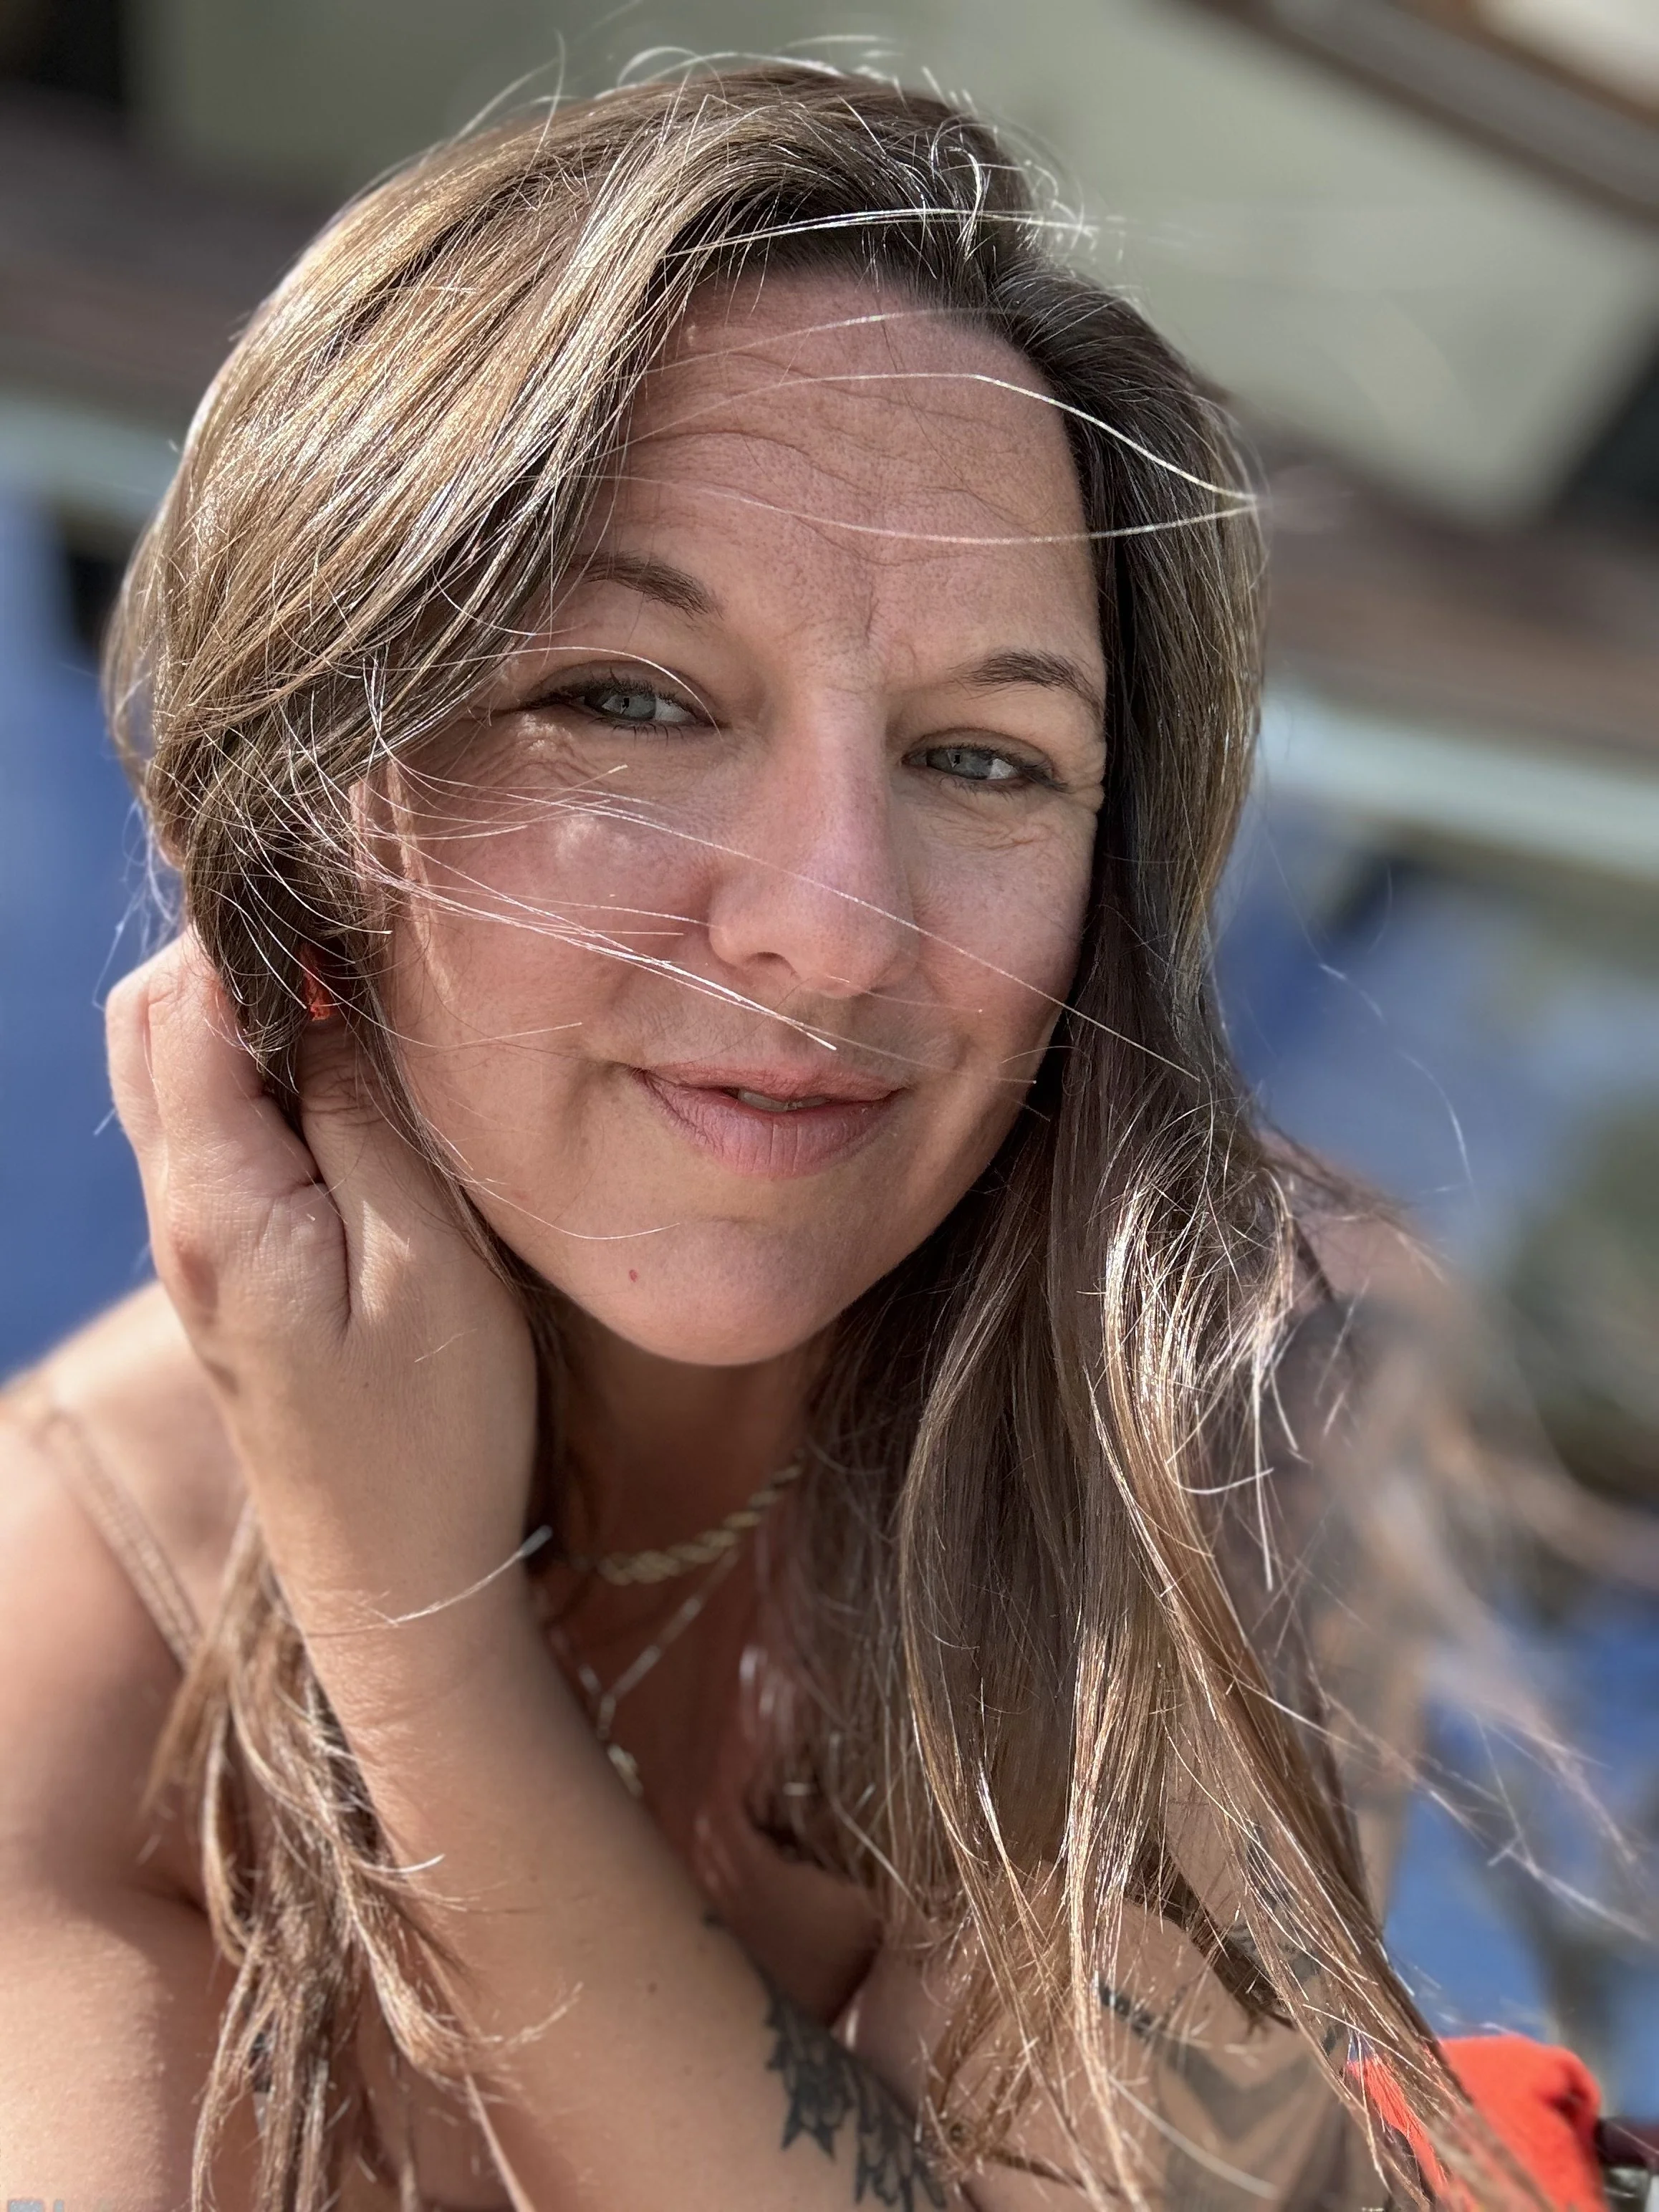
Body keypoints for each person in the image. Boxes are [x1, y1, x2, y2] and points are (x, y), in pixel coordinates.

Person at [0, 63, 1570, 2212]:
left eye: (986, 759)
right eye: (631, 698)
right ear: (291, 814)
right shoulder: (74, 1614)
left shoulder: (1229, 1401)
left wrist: (417, 1644)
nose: (836, 928)